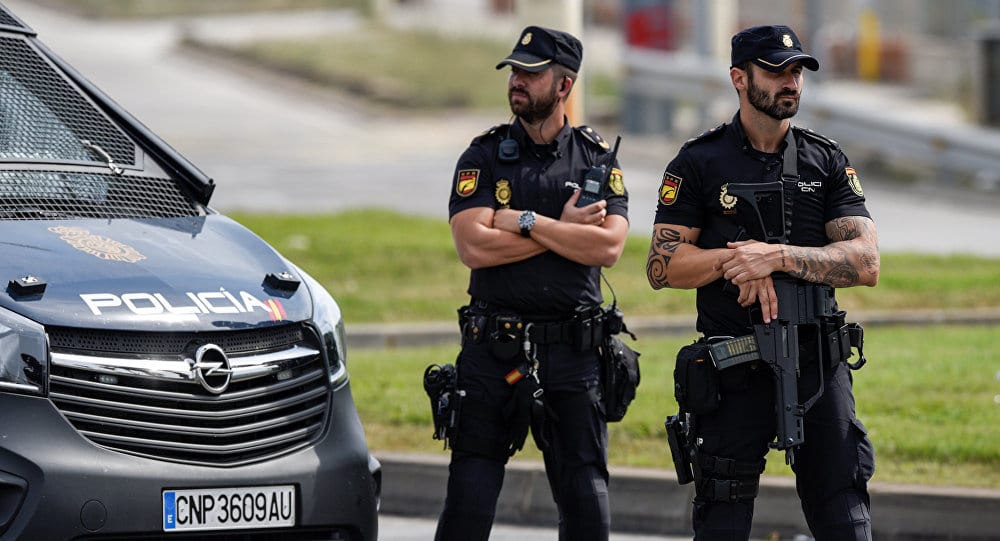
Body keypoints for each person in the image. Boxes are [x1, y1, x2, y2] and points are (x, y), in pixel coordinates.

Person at [647, 24, 879, 540]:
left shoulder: (826, 160)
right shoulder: (698, 162)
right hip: (734, 366)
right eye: (776, 71)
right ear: (738, 77)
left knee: (845, 511)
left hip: (818, 363)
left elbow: (866, 262)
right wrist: (734, 262)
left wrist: (774, 258)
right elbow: (662, 267)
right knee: (722, 514)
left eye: (796, 71)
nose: (790, 81)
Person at [437, 25, 630, 541]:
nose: (517, 81)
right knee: (468, 506)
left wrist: (522, 221)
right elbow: (472, 247)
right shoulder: (483, 156)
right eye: (514, 72)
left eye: (531, 73)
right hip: (492, 354)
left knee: (588, 510)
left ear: (564, 86)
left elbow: (608, 248)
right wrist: (567, 232)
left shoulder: (594, 160)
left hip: (573, 356)